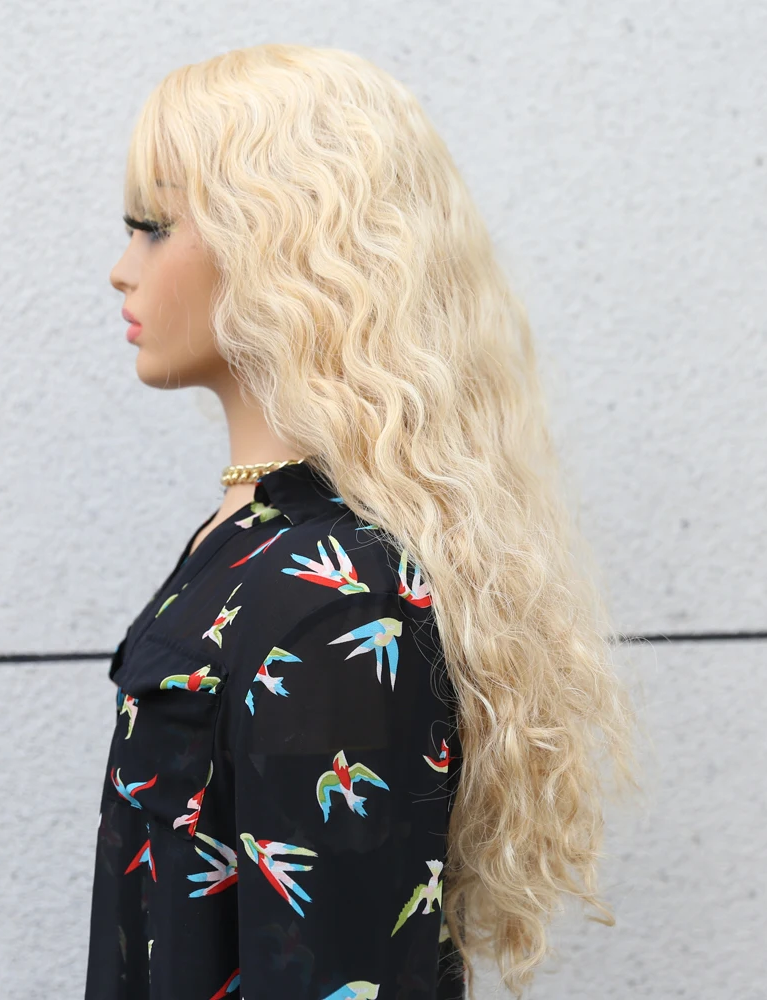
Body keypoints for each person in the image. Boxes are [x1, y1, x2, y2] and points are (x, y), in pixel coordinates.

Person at [87, 43, 635, 1000]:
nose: (121, 271)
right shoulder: (252, 544)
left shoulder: (329, 597)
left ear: (281, 245)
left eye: (155, 228)